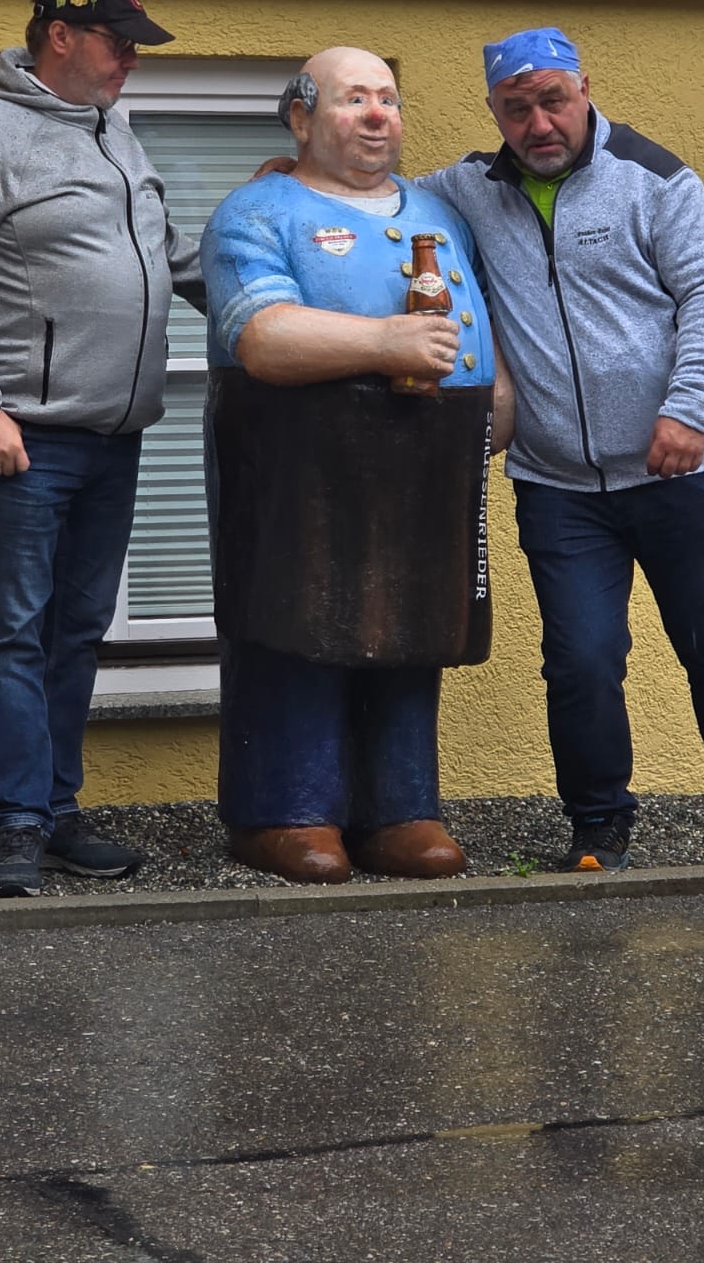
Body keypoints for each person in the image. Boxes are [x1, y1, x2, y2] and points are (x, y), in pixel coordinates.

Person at [418, 25, 704, 872]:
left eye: (553, 101)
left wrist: (688, 409)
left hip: (679, 471)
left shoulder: (656, 180)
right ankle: (598, 823)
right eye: (517, 108)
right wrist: (291, 182)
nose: (538, 124)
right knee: (581, 659)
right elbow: (376, 200)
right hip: (558, 486)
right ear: (494, 111)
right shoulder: (468, 190)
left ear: (585, 90)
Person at [0, 0, 206, 897]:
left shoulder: (115, 130)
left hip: (114, 439)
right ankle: (16, 823)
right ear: (60, 36)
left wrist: (267, 268)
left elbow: (164, 256)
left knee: (76, 631)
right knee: (13, 631)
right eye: (119, 43)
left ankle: (57, 809)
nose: (131, 60)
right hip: (23, 439)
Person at [200, 47, 511, 885]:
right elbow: (261, 335)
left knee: (414, 630)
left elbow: (479, 320)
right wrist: (384, 342)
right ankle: (285, 808)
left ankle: (400, 807)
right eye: (353, 99)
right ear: (301, 118)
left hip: (429, 455)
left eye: (388, 99)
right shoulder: (257, 211)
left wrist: (498, 401)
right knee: (297, 628)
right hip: (298, 458)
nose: (377, 115)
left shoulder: (439, 211)